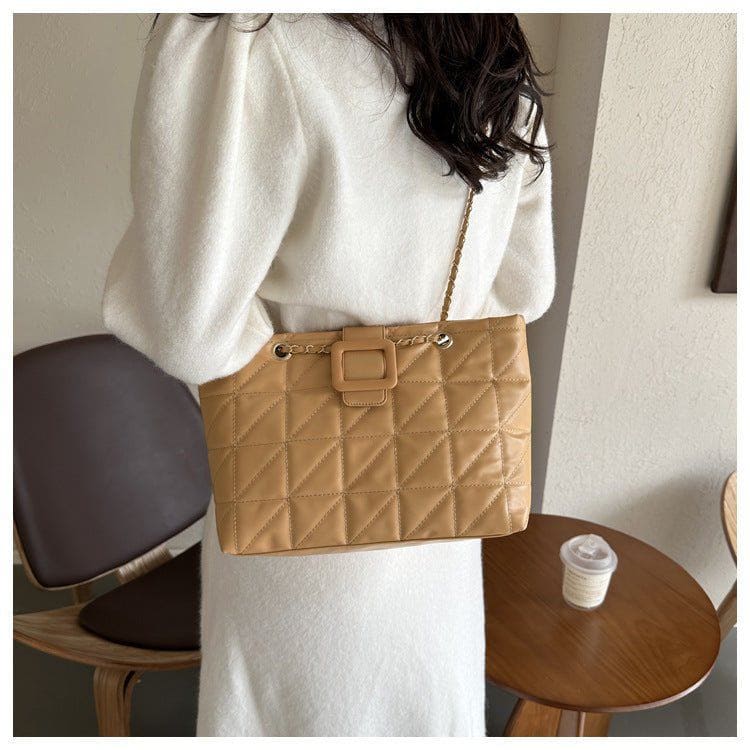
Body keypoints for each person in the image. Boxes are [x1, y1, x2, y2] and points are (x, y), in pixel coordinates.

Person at [102, 12, 554, 737]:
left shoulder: (255, 36)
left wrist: (306, 359)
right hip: (441, 487)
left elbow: (189, 325)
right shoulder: (486, 41)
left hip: (295, 487)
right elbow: (524, 288)